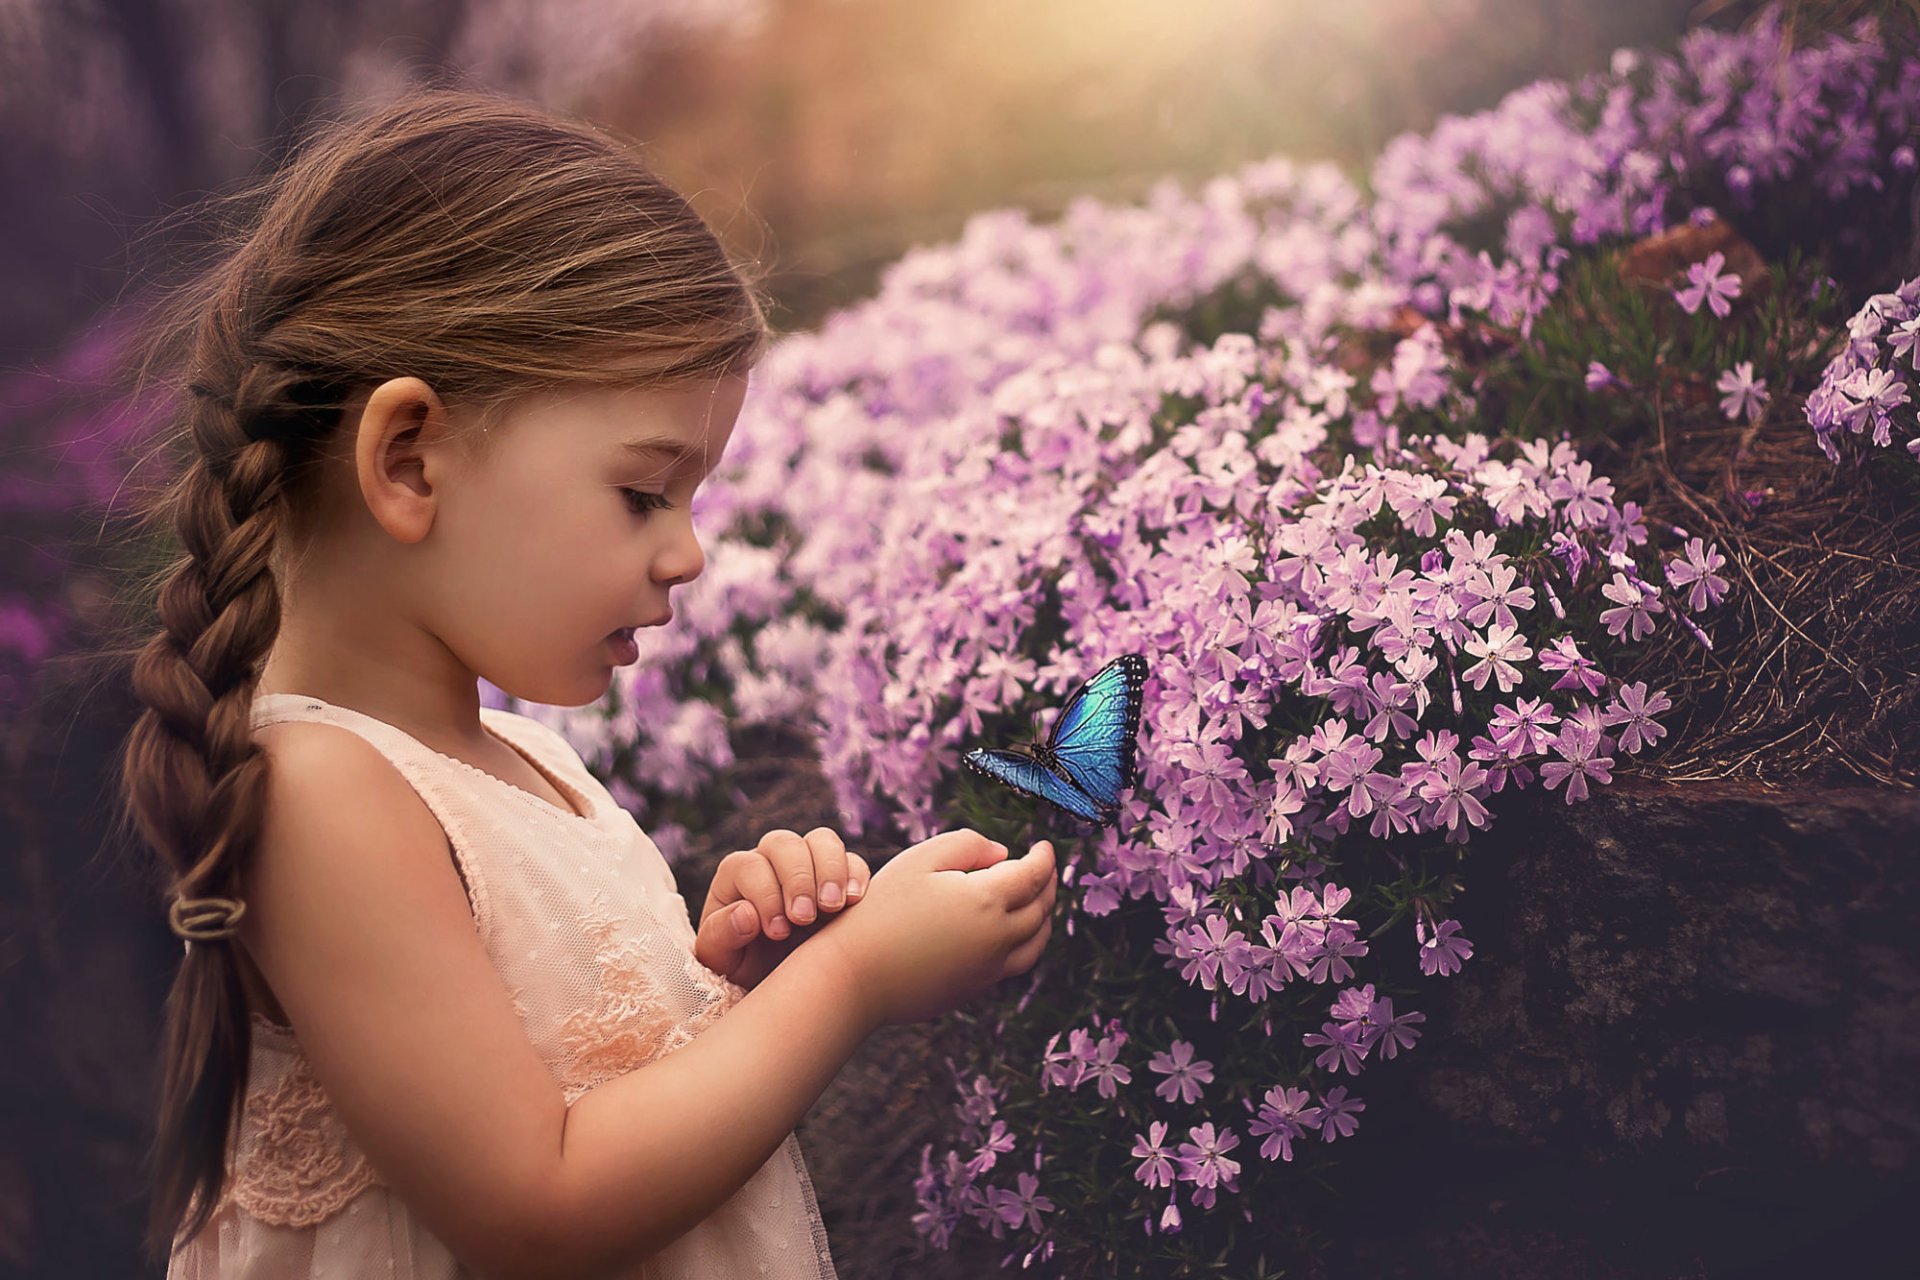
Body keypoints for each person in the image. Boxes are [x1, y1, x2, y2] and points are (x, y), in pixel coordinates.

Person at [111, 83, 1058, 1280]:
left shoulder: (530, 762)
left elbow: (585, 1085)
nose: (690, 552)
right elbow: (538, 1205)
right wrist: (848, 982)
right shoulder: (323, 797)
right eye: (643, 491)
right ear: (410, 459)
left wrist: (729, 985)